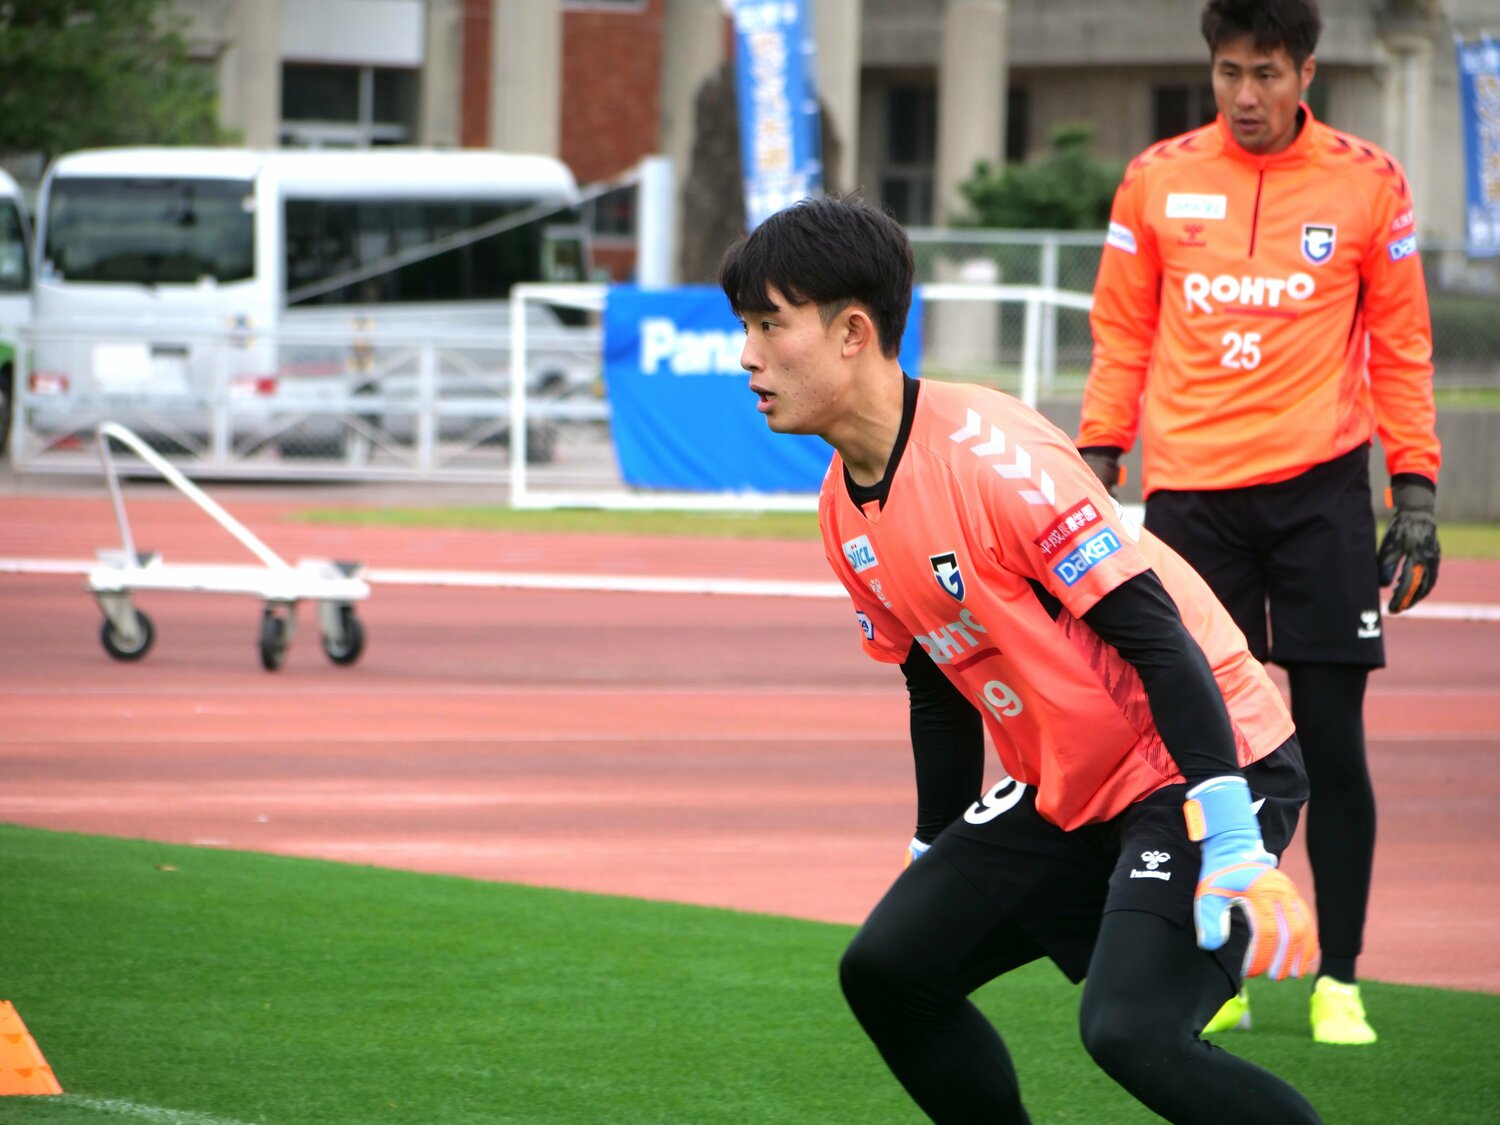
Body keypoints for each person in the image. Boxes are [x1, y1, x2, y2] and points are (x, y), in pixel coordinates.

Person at [719, 195, 1322, 1124]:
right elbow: (936, 684)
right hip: (1069, 783)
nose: (748, 356)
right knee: (889, 969)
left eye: (768, 325)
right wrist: (935, 844)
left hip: (1199, 756)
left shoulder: (994, 455)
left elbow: (1158, 635)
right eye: (743, 328)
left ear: (851, 332)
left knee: (1129, 1031)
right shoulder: (843, 506)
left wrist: (1230, 821)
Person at [1076, 0, 1441, 1047]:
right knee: (1200, 744)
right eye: (1229, 71)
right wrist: (1100, 458)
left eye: (1267, 73)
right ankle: (1219, 970)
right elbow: (1122, 329)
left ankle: (1342, 980)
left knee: (1330, 744)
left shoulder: (1368, 181)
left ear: (1306, 70)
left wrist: (1412, 488)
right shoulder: (1155, 177)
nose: (1246, 95)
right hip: (1190, 499)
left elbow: (1405, 341)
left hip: (1322, 490)